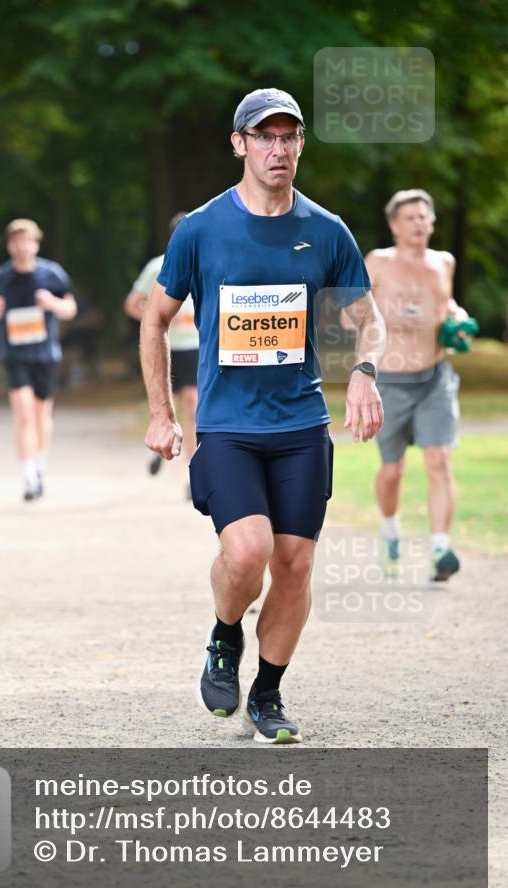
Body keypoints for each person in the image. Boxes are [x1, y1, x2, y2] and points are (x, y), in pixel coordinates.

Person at [140, 88, 385, 744]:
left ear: (300, 145)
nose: (277, 149)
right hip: (226, 424)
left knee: (295, 564)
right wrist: (162, 413)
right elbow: (154, 321)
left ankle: (267, 694)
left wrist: (363, 371)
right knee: (245, 551)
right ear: (238, 143)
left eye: (288, 137)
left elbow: (369, 320)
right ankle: (224, 637)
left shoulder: (326, 231)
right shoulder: (201, 228)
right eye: (263, 136)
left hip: (301, 424)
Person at [363, 189, 474, 582]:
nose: (417, 223)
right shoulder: (378, 262)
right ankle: (390, 528)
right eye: (408, 217)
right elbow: (352, 313)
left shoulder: (444, 262)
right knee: (392, 470)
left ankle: (441, 547)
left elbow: (449, 305)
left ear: (432, 222)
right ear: (394, 224)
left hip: (436, 375)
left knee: (438, 459)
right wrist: (389, 318)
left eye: (423, 216)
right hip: (390, 380)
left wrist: (458, 318)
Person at [0, 218, 77, 501]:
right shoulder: (0, 276)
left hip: (45, 354)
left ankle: (39, 466)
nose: (22, 246)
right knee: (23, 414)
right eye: (16, 241)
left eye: (27, 240)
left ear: (36, 243)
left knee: (40, 414)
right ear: (10, 246)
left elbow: (70, 308)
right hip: (14, 354)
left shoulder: (52, 274)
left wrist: (53, 303)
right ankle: (28, 478)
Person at [124, 212, 199, 493]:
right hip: (166, 348)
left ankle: (192, 473)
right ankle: (163, 447)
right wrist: (156, 318)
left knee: (192, 405)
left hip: (195, 346)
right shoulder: (158, 266)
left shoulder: (208, 260)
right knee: (170, 406)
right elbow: (132, 304)